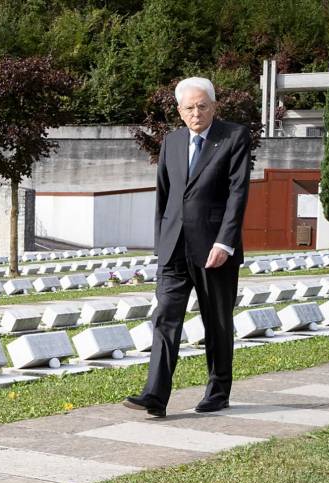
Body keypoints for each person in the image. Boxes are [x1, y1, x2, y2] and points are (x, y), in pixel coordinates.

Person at [123, 77, 251, 417]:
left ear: (213, 106)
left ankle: (218, 391)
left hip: (214, 249)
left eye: (202, 106)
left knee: (217, 321)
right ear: (180, 112)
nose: (196, 113)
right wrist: (160, 242)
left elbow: (238, 194)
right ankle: (155, 395)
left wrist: (225, 241)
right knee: (165, 317)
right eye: (189, 108)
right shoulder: (172, 141)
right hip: (173, 248)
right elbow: (163, 194)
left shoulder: (233, 137)